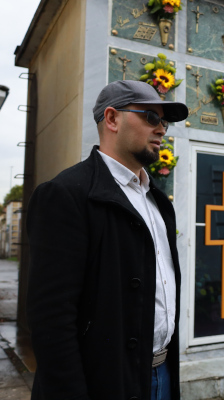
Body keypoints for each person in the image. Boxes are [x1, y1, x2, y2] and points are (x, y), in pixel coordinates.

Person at [27, 80, 188, 400]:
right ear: (112, 119)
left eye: (165, 122)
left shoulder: (158, 202)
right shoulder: (66, 194)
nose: (162, 130)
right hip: (103, 382)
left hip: (162, 375)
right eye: (151, 118)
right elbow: (51, 323)